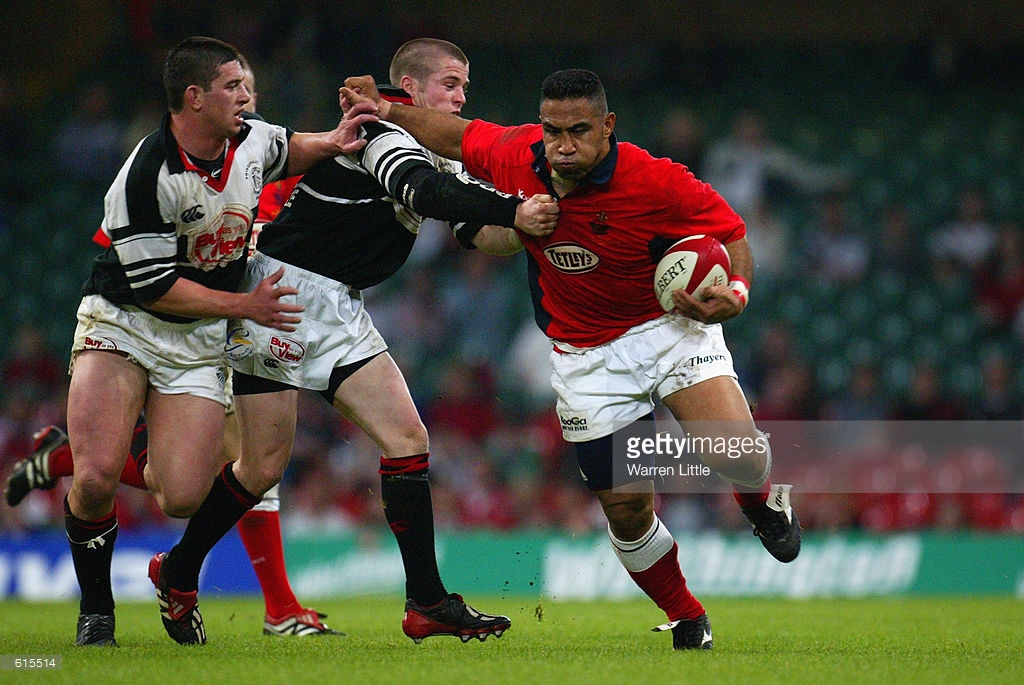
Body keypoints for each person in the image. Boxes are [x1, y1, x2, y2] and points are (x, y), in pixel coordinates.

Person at [341, 68, 802, 650]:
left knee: (733, 453)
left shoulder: (655, 180)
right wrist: (382, 105)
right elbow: (453, 136)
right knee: (629, 511)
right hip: (585, 355)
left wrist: (733, 296)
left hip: (668, 328)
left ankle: (763, 504)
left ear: (607, 126)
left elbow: (732, 233)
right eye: (553, 130)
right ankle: (687, 616)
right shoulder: (516, 154)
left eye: (579, 131)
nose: (563, 145)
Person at [146, 37, 558, 646]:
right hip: (282, 296)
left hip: (334, 303)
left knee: (387, 442)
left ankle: (424, 602)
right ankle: (182, 572)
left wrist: (532, 225)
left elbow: (473, 231)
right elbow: (422, 193)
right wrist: (515, 212)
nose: (462, 95)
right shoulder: (379, 128)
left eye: (465, 84)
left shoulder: (434, 151)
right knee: (265, 467)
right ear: (411, 89)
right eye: (451, 82)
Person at [4, 59, 341, 639]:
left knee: (185, 494)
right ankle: (98, 612)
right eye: (234, 88)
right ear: (194, 98)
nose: (247, 99)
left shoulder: (258, 145)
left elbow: (299, 149)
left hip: (207, 330)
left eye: (250, 89)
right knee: (102, 477)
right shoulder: (146, 173)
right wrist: (246, 306)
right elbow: (153, 283)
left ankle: (67, 455)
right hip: (129, 319)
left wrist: (346, 134)